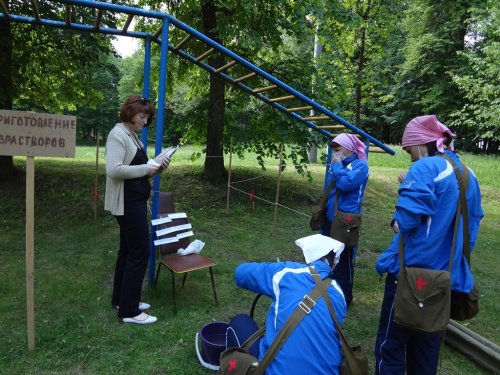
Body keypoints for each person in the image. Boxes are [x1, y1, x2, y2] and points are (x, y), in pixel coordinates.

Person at [374, 115, 484, 374]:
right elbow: (471, 229)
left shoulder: (424, 168)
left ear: (423, 145)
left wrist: (401, 201)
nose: (409, 155)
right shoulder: (470, 175)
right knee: (426, 351)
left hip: (409, 276)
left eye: (409, 149)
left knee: (390, 348)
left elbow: (405, 222)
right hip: (443, 280)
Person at [229, 234, 347, 374]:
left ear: (305, 257)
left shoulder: (286, 272)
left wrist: (274, 267)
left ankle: (228, 366)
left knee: (240, 321)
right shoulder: (340, 295)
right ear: (333, 265)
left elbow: (240, 273)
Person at [104, 95, 170, 325]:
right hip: (127, 203)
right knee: (140, 251)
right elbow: (114, 170)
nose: (144, 121)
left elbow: (139, 168)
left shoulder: (132, 136)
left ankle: (121, 300)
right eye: (142, 116)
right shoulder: (118, 135)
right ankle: (130, 311)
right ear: (130, 113)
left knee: (127, 251)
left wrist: (157, 168)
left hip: (134, 200)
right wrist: (146, 168)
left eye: (147, 117)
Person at [322, 133, 369, 306]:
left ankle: (345, 298)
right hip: (331, 217)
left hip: (345, 220)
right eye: (334, 149)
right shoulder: (340, 164)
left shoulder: (361, 166)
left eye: (338, 149)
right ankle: (328, 292)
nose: (335, 152)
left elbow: (346, 184)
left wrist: (337, 166)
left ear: (349, 149)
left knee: (342, 260)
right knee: (326, 255)